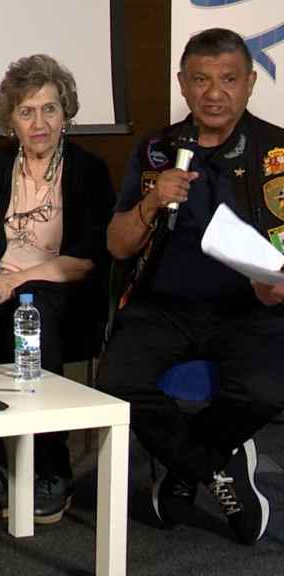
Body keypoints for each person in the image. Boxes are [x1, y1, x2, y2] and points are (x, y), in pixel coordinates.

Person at [99, 28, 284, 545]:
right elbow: (117, 245)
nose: (214, 93)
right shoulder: (158, 150)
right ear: (182, 84)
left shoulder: (280, 151)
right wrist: (151, 202)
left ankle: (187, 469)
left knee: (269, 387)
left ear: (250, 83)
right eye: (201, 80)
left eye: (228, 79)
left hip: (250, 308)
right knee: (116, 385)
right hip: (163, 306)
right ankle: (217, 466)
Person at [0, 55, 114, 525]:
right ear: (10, 121)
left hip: (58, 289)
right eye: (27, 112)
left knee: (33, 324)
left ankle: (52, 469)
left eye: (50, 109)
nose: (40, 122)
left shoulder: (89, 171)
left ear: (65, 113)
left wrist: (19, 280)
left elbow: (91, 257)